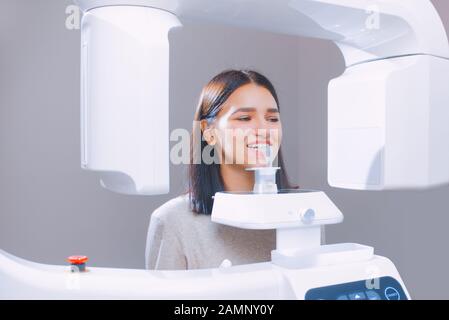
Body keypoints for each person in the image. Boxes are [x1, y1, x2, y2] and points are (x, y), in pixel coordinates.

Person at [145, 69, 296, 270]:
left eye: (272, 119)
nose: (264, 130)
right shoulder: (174, 222)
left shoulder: (302, 213)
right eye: (244, 118)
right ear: (209, 132)